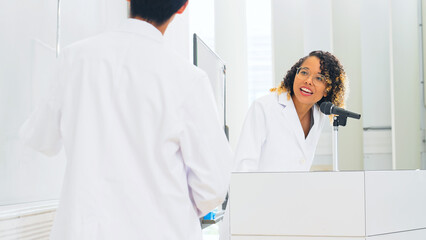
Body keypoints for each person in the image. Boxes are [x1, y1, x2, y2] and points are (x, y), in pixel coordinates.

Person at [20, 0, 233, 239]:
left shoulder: (75, 58)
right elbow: (213, 185)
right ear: (182, 7)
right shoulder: (189, 79)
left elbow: (40, 139)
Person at [220, 50, 347, 239]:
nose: (308, 80)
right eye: (303, 72)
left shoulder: (319, 116)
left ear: (327, 89)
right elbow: (242, 171)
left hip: (287, 219)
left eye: (319, 78)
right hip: (251, 221)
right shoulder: (265, 108)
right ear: (294, 74)